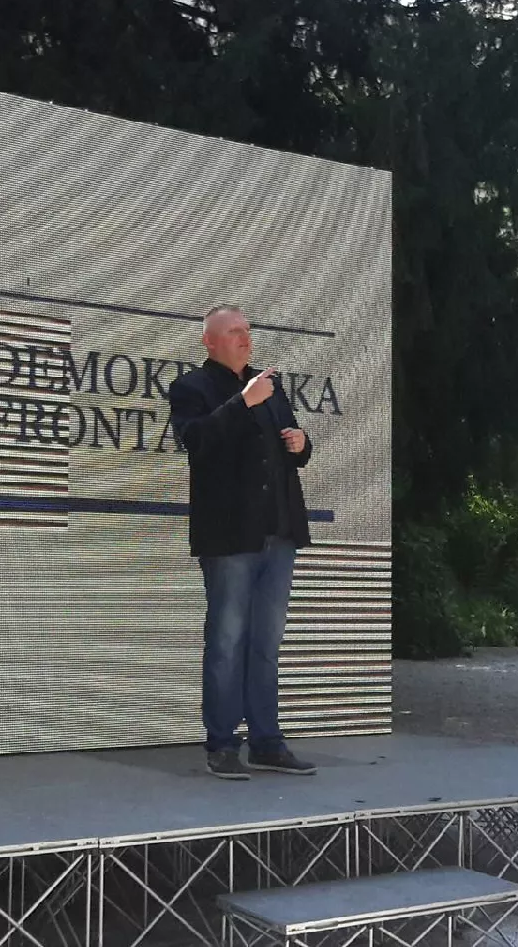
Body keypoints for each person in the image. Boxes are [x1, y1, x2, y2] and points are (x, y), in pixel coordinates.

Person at [167, 305, 318, 780]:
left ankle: (267, 741)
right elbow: (197, 442)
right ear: (209, 341)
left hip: (279, 531)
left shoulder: (269, 386)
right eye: (234, 331)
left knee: (266, 643)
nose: (245, 338)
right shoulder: (192, 387)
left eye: (247, 330)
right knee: (227, 641)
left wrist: (301, 444)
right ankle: (222, 744)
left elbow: (288, 452)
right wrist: (243, 402)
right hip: (230, 535)